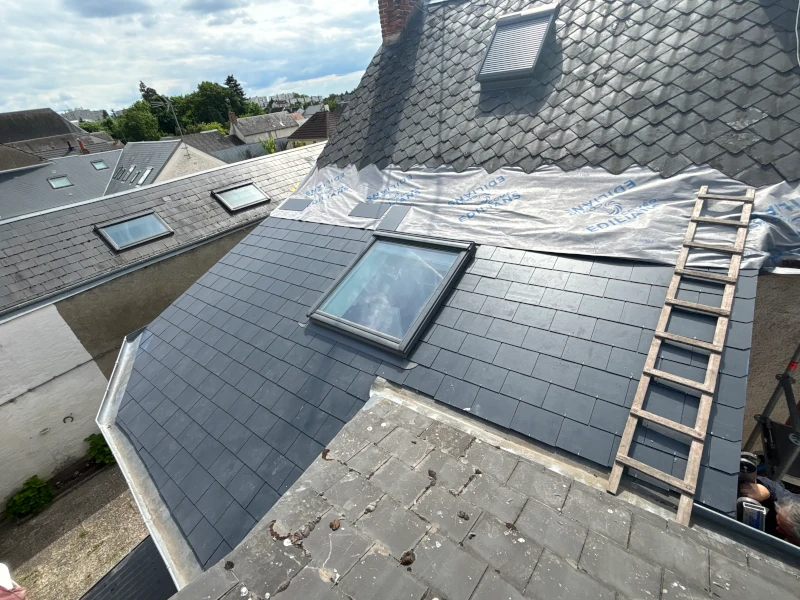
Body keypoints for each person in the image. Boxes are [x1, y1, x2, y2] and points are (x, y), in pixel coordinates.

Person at [739, 477, 800, 546]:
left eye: (783, 530)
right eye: (778, 523)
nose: (778, 529)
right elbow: (779, 492)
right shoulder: (795, 502)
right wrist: (767, 492)